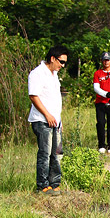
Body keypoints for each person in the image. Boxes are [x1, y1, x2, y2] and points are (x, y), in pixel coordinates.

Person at [28, 45, 68, 195]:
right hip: (42, 120)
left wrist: (59, 120)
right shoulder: (37, 74)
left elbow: (54, 100)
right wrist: (47, 115)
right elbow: (33, 96)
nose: (63, 65)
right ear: (52, 58)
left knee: (57, 153)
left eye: (64, 63)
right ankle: (42, 185)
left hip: (55, 121)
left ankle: (54, 184)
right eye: (61, 62)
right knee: (45, 153)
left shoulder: (54, 75)